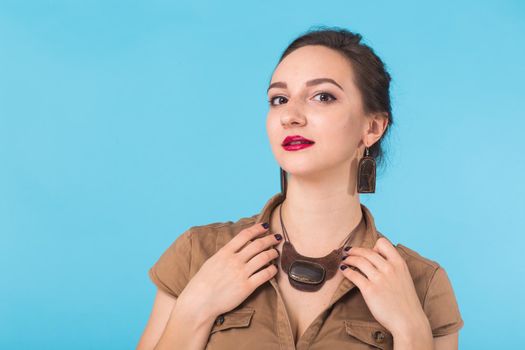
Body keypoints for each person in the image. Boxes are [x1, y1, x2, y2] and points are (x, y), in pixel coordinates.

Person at [137, 27, 464, 350]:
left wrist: (411, 330)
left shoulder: (423, 284)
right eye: (279, 99)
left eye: (323, 96)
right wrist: (195, 308)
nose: (290, 116)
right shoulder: (198, 254)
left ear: (373, 126)